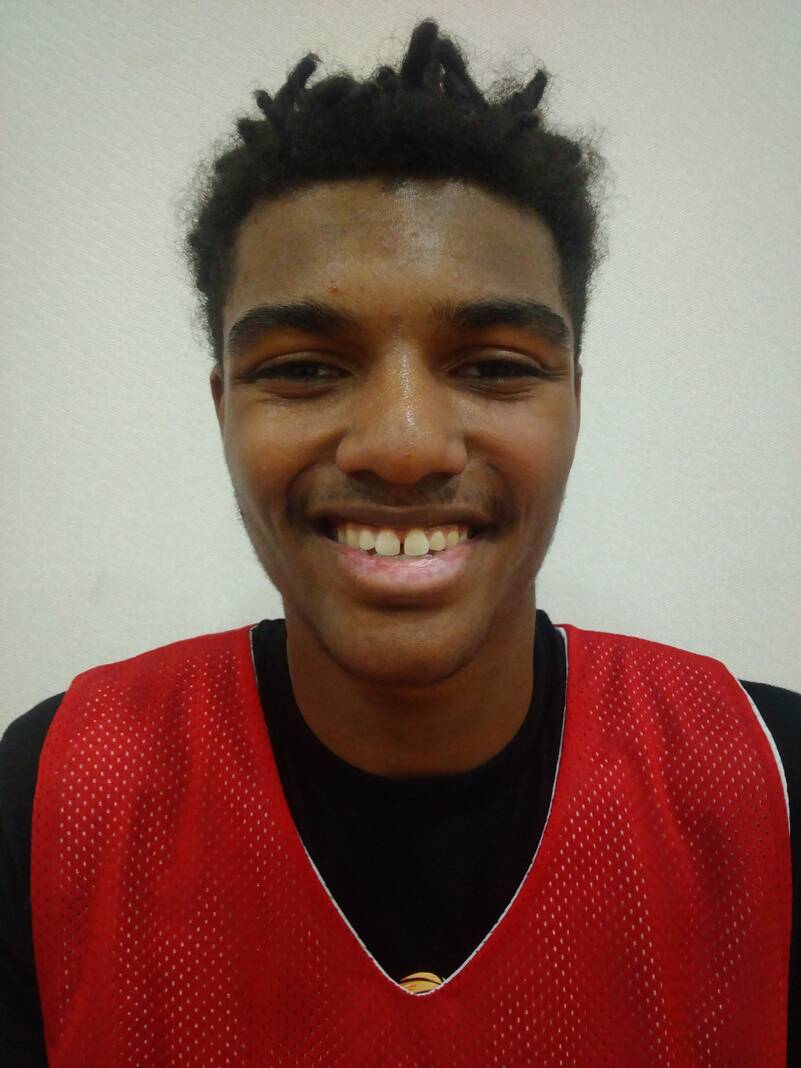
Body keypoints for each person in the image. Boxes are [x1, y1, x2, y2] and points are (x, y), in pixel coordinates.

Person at [1, 16, 798, 1067]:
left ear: (574, 399)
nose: (406, 445)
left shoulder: (768, 778)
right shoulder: (54, 793)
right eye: (304, 368)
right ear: (223, 406)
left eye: (494, 365)